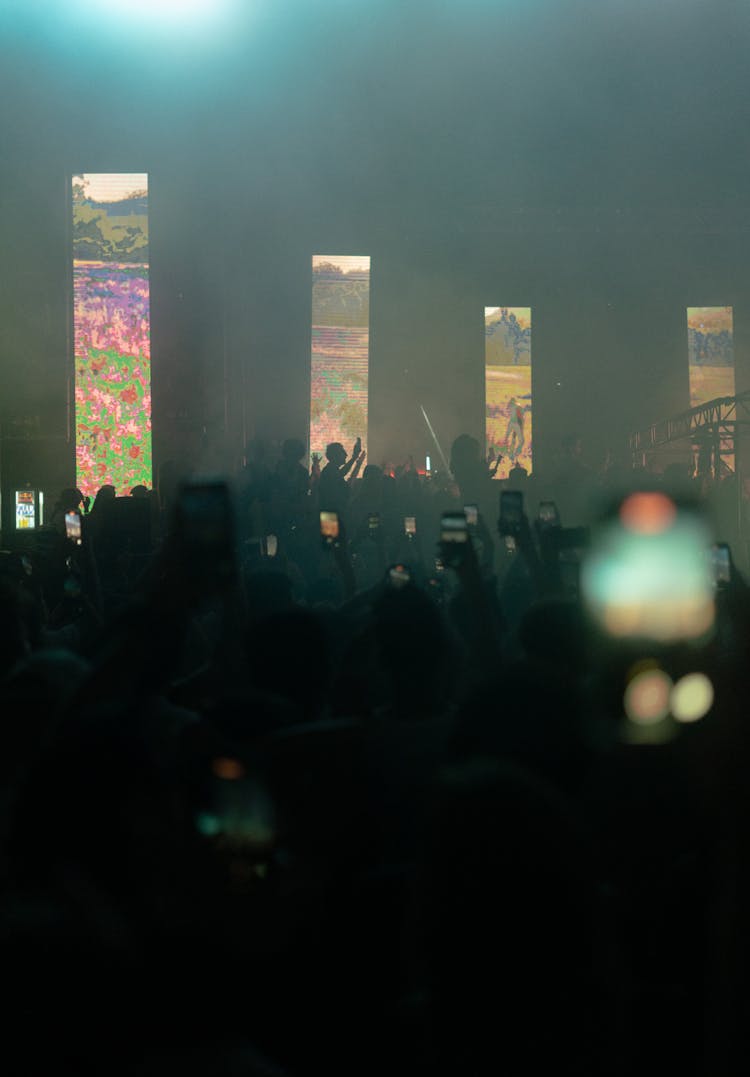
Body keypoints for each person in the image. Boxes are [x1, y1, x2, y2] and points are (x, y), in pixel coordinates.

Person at [317, 438, 365, 516]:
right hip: (330, 515)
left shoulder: (330, 470)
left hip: (330, 514)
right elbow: (342, 473)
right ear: (335, 455)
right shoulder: (330, 471)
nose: (346, 455)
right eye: (343, 452)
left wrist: (354, 457)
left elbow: (342, 473)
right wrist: (354, 457)